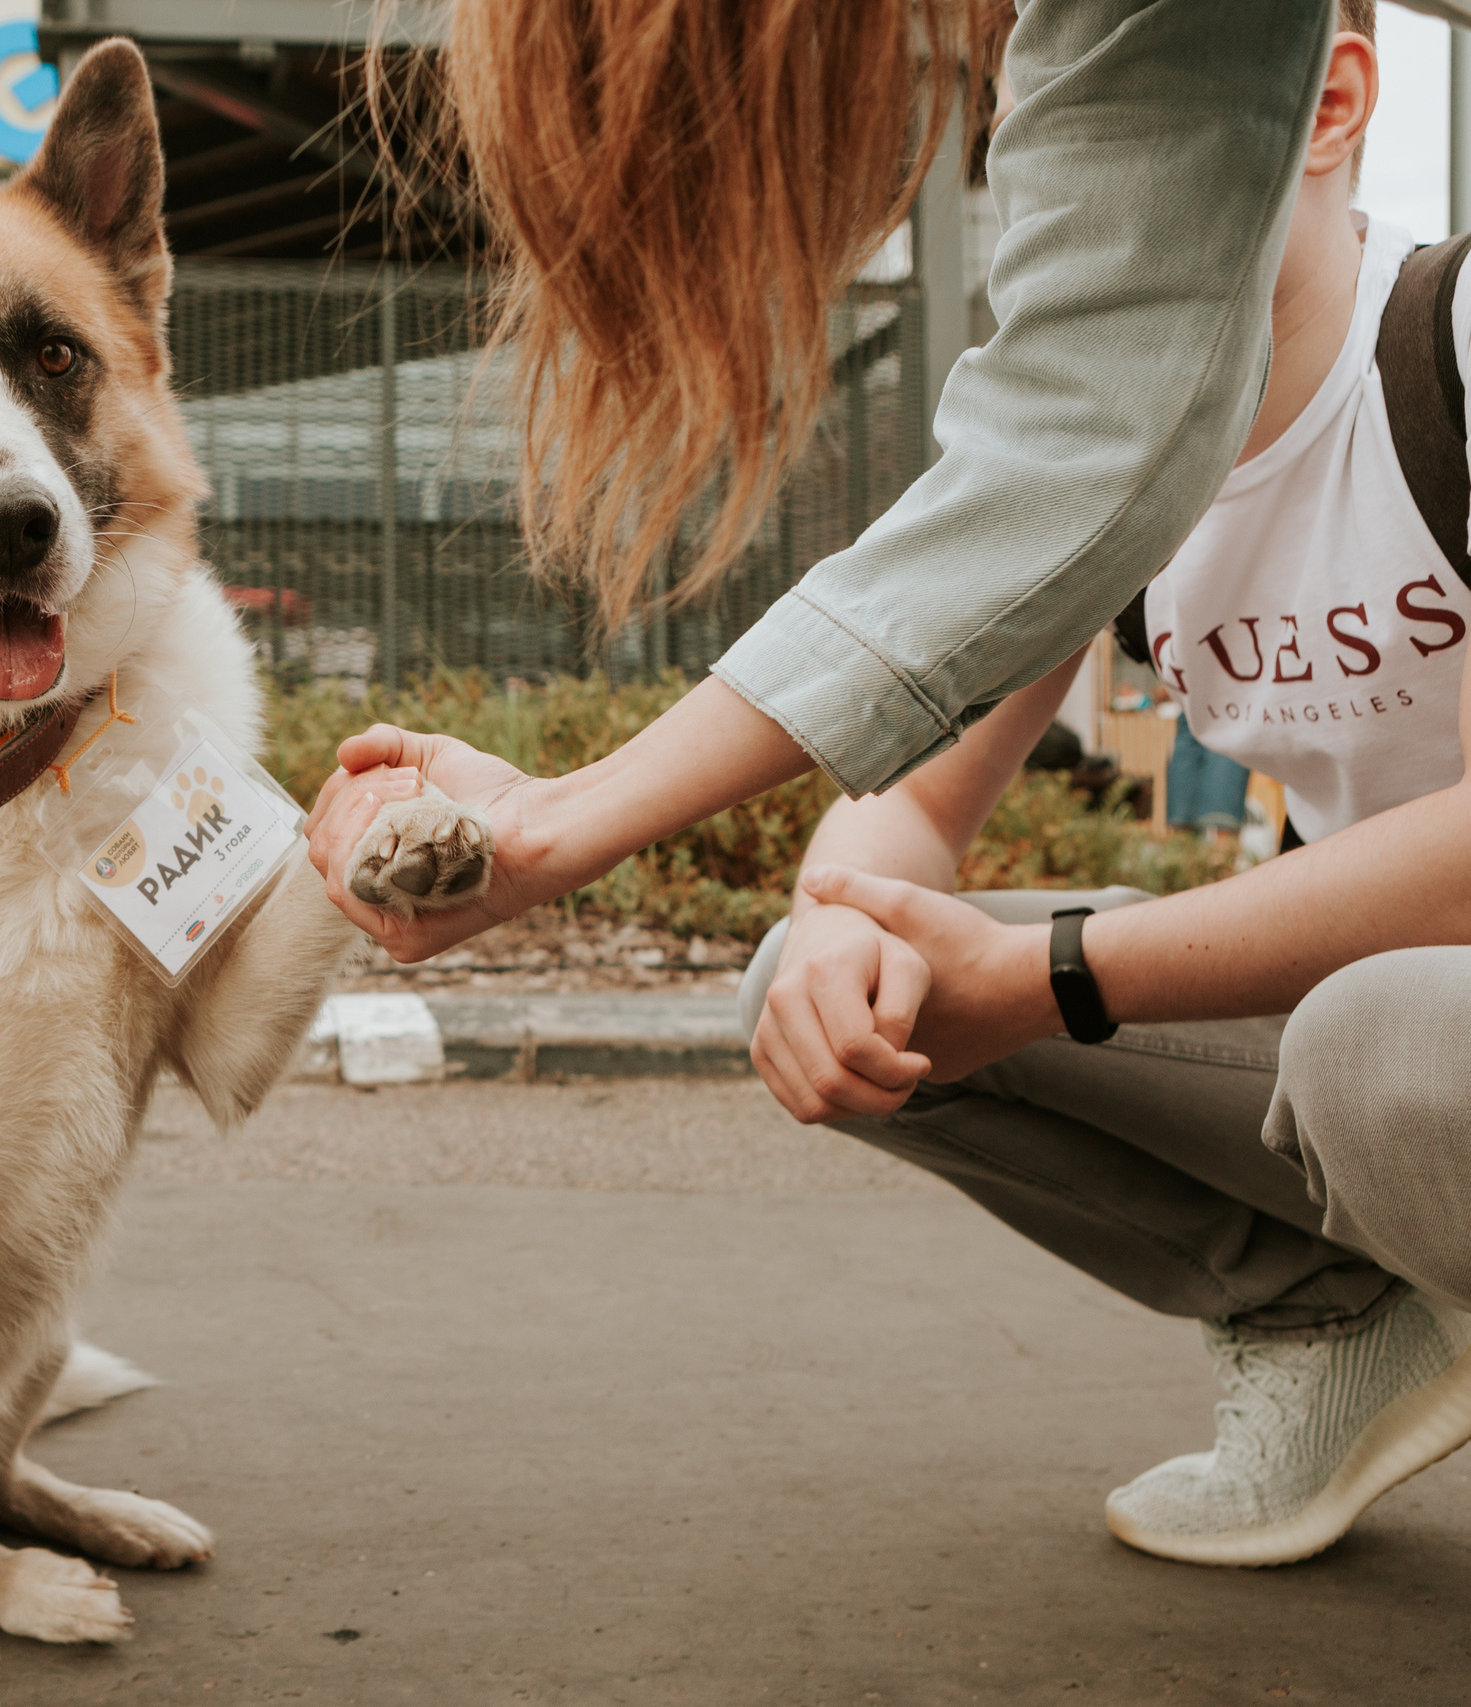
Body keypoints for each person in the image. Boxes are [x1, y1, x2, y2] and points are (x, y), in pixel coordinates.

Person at [302, 0, 1471, 1562]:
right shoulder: (1143, 468)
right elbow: (920, 773)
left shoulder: (1444, 352)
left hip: (1408, 1039)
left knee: (1380, 1042)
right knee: (841, 969)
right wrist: (802, 900)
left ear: (1324, 104)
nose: (1037, 198)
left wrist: (1061, 971)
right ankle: (1336, 1320)